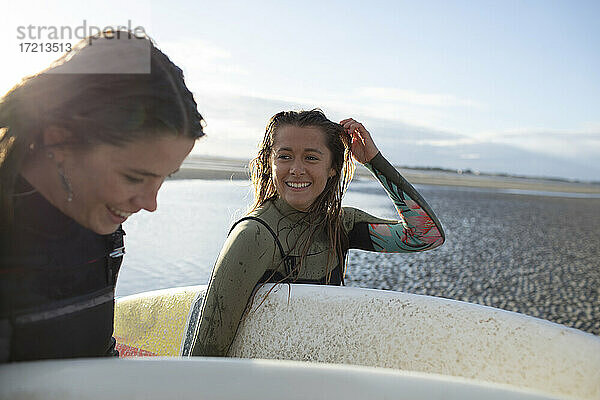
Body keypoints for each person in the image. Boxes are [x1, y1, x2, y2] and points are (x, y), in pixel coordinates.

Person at [0, 30, 205, 362]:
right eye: (134, 177)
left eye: (163, 178)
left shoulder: (101, 226)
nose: (150, 204)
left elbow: (94, 353)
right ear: (59, 140)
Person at [190, 109, 444, 357]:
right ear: (270, 162)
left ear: (333, 167)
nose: (296, 169)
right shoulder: (253, 235)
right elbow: (207, 351)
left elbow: (426, 235)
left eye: (311, 158)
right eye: (284, 156)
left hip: (318, 380)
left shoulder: (340, 225)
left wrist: (374, 161)